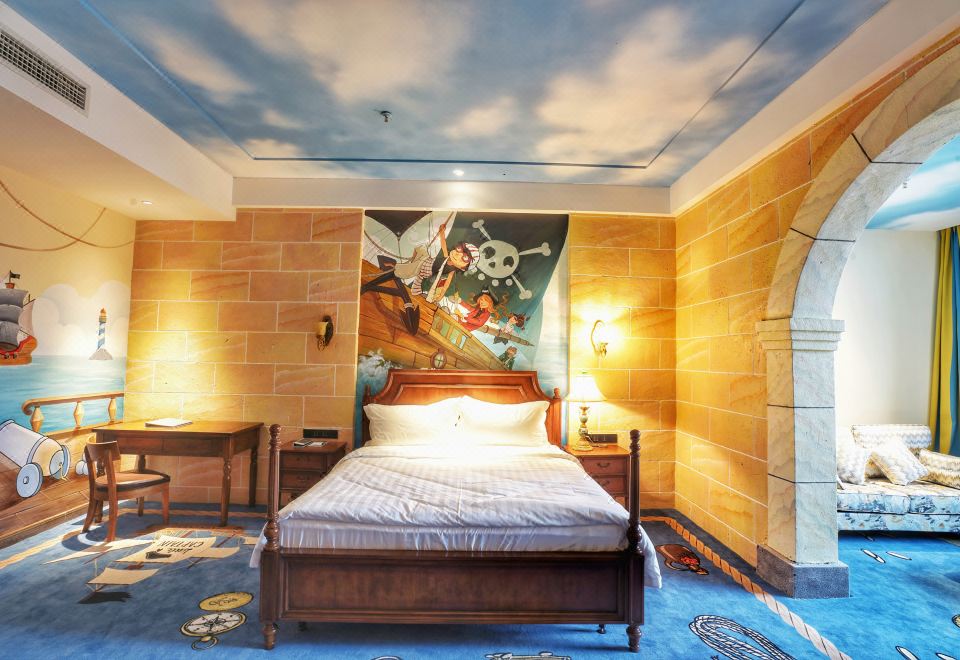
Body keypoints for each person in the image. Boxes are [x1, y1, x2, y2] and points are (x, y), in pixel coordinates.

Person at [410, 219, 478, 303]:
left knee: (420, 253)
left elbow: (446, 285)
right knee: (420, 249)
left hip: (427, 270)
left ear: (463, 268)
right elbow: (443, 244)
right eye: (459, 250)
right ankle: (413, 264)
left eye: (464, 258)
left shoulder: (452, 271)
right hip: (427, 263)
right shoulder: (447, 257)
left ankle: (413, 267)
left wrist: (440, 297)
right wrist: (442, 232)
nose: (457, 255)